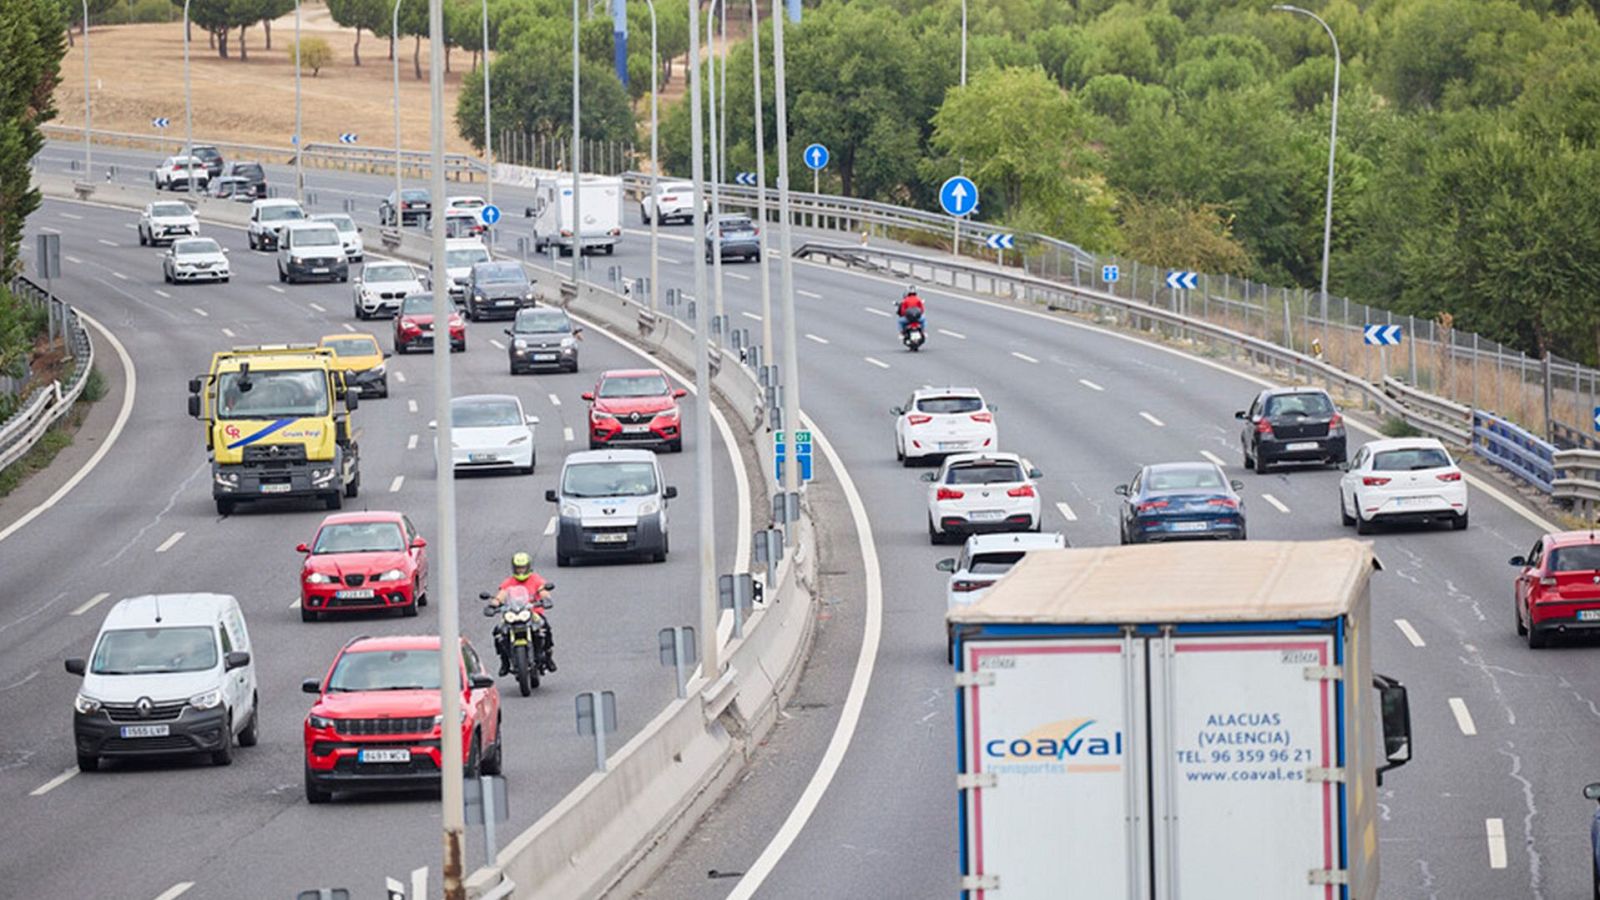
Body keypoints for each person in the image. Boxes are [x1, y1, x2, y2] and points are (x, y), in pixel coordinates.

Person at [491, 551, 556, 674]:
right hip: (513, 613)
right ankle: (504, 661)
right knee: (498, 632)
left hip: (532, 613)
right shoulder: (509, 582)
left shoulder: (536, 579)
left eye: (523, 568)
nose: (520, 571)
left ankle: (548, 657)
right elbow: (501, 595)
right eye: (518, 568)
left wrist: (546, 599)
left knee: (545, 628)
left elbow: (543, 591)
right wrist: (493, 604)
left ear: (528, 567)